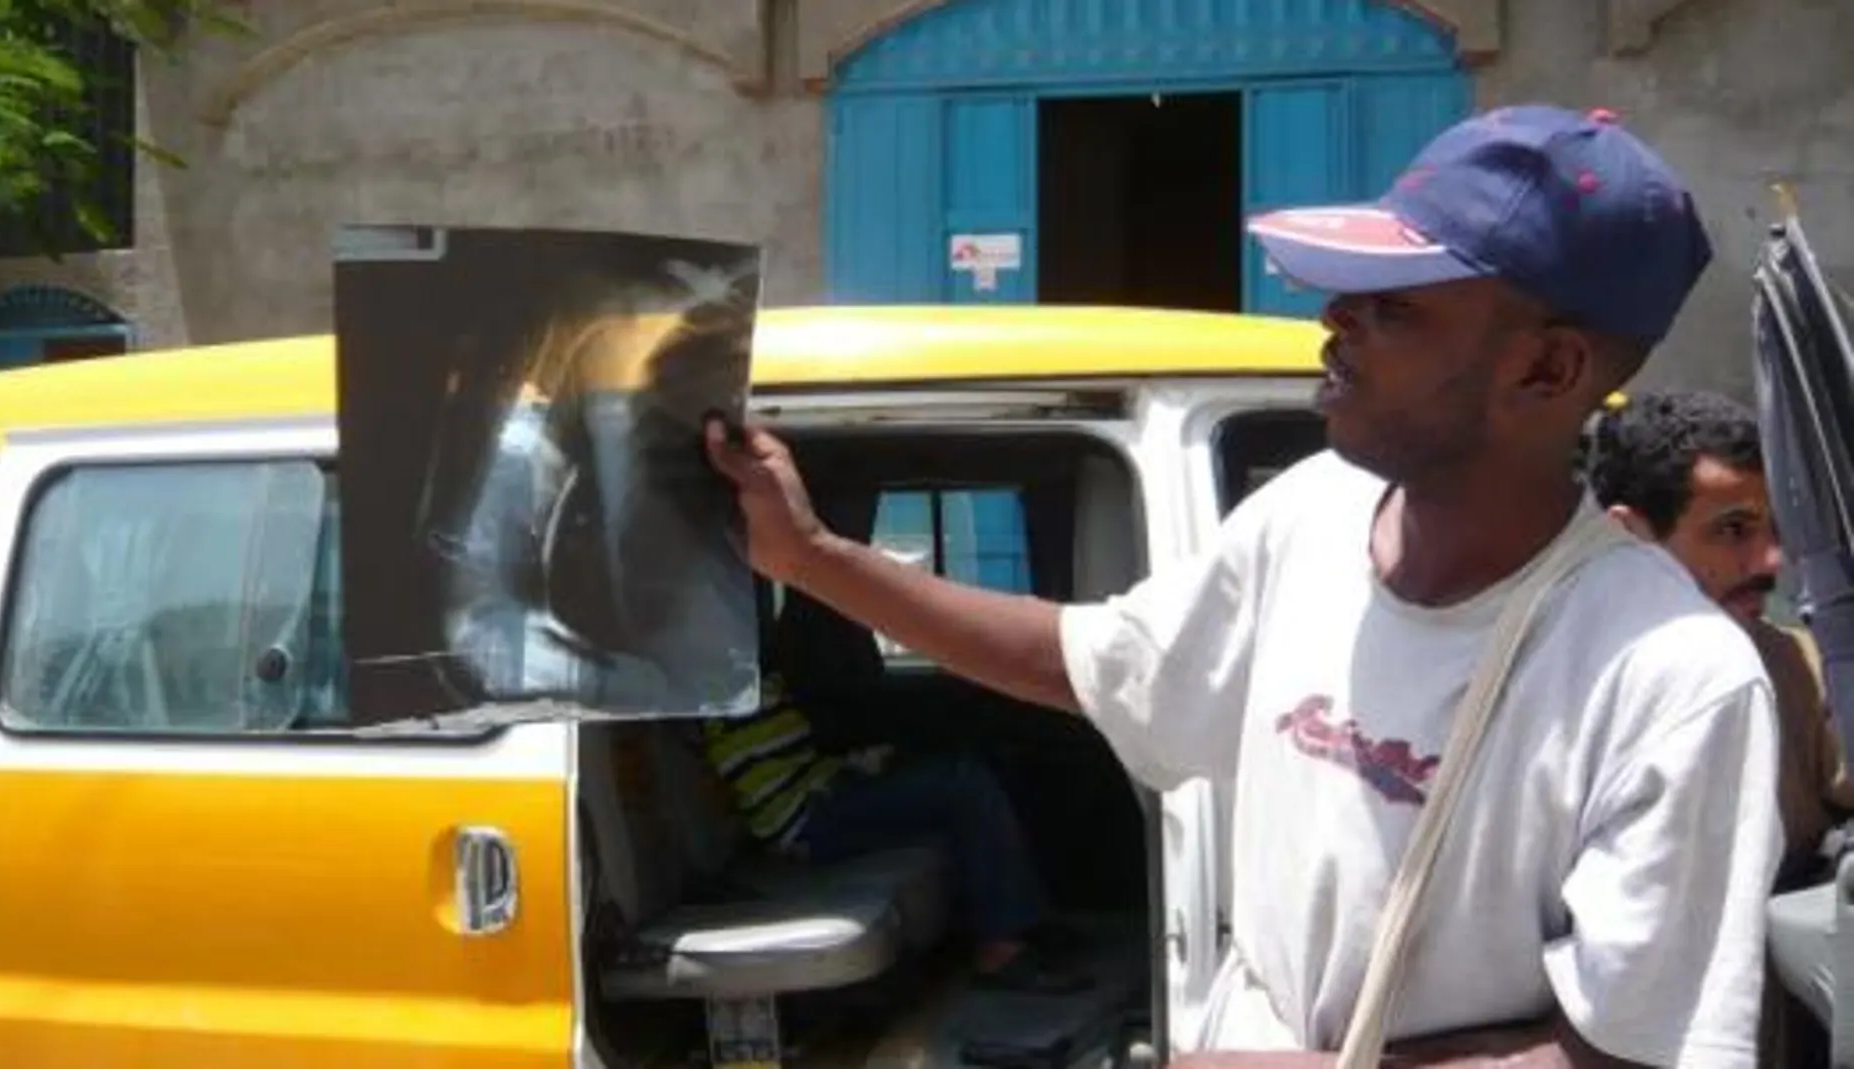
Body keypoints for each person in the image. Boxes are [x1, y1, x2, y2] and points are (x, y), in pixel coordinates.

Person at [705, 104, 1782, 1067]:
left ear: (1545, 371)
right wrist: (809, 558)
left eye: (1392, 308)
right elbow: (1088, 662)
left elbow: (1643, 1048)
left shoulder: (1673, 680)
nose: (1333, 325)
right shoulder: (1304, 516)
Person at [699, 613, 1088, 993]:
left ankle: (1022, 918)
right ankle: (1000, 948)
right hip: (805, 821)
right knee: (964, 786)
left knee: (973, 770)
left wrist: (860, 761)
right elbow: (755, 758)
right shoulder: (714, 687)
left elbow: (793, 756)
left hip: (826, 791)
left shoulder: (757, 678)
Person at [1586, 389, 1854, 889]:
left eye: (1776, 530)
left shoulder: (1798, 665)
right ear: (1629, 535)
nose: (1771, 561)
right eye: (1733, 530)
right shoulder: (1554, 689)